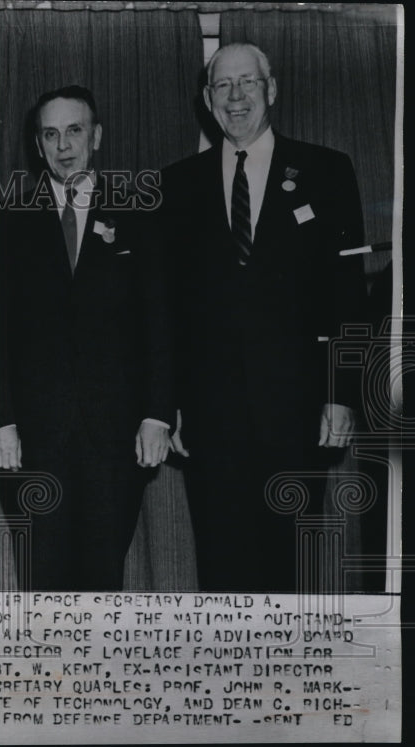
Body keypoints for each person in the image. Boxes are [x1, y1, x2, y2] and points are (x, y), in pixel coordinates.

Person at [161, 43, 367, 591]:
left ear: (270, 90)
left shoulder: (326, 171)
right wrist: (169, 403)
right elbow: (168, 308)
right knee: (222, 563)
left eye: (247, 83)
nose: (236, 98)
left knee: (290, 562)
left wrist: (341, 392)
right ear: (207, 99)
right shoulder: (177, 184)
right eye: (223, 86)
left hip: (298, 410)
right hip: (210, 416)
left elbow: (348, 294)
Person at [0, 85, 174, 591]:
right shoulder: (8, 223)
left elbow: (160, 320)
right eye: (51, 133)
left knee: (103, 578)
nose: (63, 144)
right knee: (41, 578)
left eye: (74, 130)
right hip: (35, 438)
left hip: (116, 434)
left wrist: (158, 412)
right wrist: (0, 418)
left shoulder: (140, 214)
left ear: (96, 136)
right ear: (37, 144)